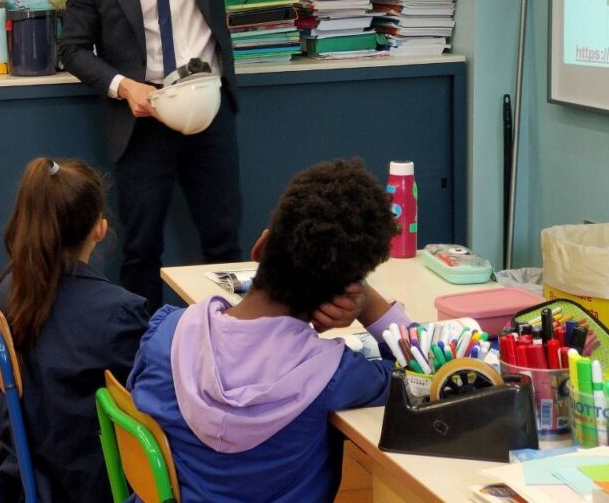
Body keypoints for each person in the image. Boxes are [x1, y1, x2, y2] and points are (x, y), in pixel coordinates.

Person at [59, 0, 381, 308]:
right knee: (140, 249)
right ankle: (141, 344)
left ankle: (229, 338)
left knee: (223, 240)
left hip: (210, 111)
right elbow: (71, 49)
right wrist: (124, 87)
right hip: (142, 122)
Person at [127, 158, 407, 503]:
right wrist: (367, 305)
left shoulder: (165, 334)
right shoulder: (333, 375)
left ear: (260, 248)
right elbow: (424, 374)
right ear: (340, 292)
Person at [0, 157, 149, 502]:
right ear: (99, 229)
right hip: (85, 483)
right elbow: (146, 408)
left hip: (23, 472)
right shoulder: (118, 314)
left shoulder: (3, 290)